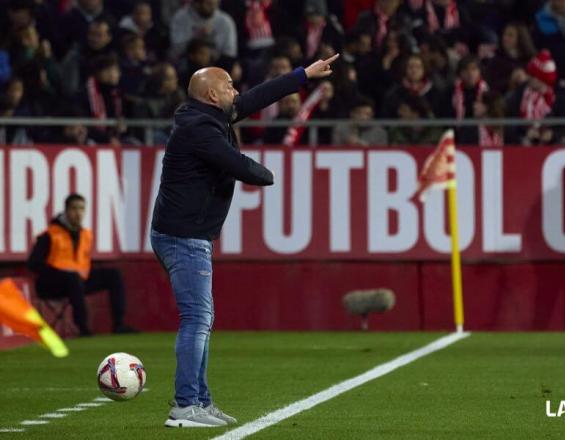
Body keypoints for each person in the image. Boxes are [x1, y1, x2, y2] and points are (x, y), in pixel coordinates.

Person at [150, 54, 339, 428]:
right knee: (197, 319)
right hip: (182, 237)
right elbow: (237, 165)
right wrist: (271, 173)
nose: (235, 92)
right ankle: (185, 406)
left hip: (189, 234)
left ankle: (199, 401)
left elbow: (257, 98)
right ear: (210, 94)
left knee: (201, 319)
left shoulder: (209, 117)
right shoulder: (200, 129)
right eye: (228, 87)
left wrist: (304, 74)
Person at [27, 194, 135, 336]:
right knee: (72, 278)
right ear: (66, 211)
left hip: (78, 281)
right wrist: (60, 273)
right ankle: (83, 328)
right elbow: (33, 264)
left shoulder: (86, 234)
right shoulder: (50, 234)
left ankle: (119, 325)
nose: (78, 213)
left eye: (82, 209)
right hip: (51, 285)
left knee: (113, 275)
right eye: (74, 208)